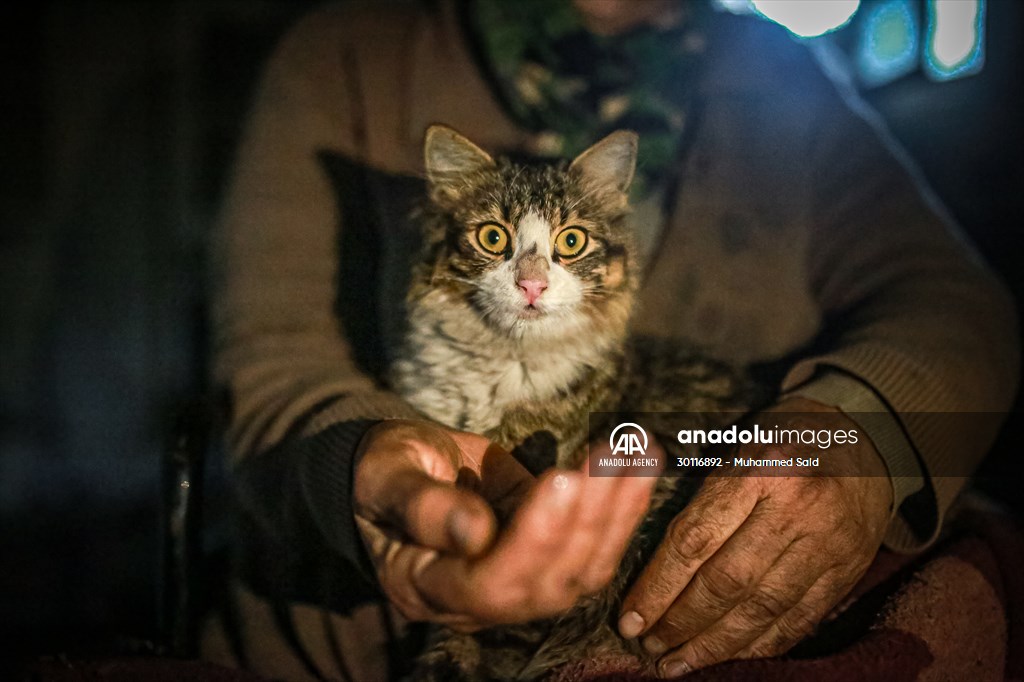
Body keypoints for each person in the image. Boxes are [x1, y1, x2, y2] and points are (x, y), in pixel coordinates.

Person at [204, 0, 1020, 679]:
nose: (531, 277)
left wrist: (859, 432)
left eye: (564, 247)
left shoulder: (782, 74)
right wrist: (359, 464)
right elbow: (266, 360)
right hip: (352, 647)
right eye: (496, 244)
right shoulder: (353, 47)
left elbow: (963, 308)